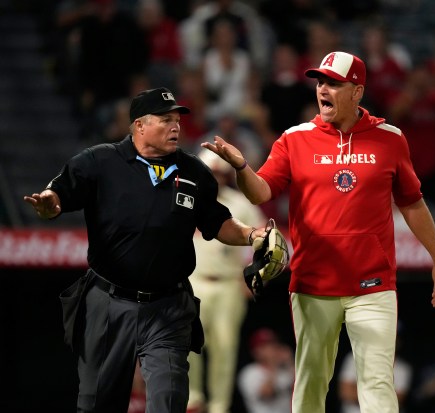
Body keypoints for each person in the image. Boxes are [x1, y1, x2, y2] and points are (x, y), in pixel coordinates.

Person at [202, 51, 435, 413]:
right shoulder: (294, 139)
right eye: (320, 82)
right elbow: (261, 191)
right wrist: (241, 167)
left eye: (333, 83)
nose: (323, 89)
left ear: (357, 91)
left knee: (378, 382)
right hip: (313, 284)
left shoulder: (390, 139)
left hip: (373, 285)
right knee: (312, 381)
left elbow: (412, 203)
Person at [23, 87, 268, 413]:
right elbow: (60, 194)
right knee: (99, 404)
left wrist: (252, 234)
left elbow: (218, 223)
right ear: (139, 125)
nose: (175, 127)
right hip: (109, 301)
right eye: (165, 119)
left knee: (169, 402)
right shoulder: (100, 161)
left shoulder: (194, 171)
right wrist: (49, 204)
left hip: (168, 306)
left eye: (177, 119)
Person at [187, 149, 266, 413]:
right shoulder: (186, 198)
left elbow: (264, 239)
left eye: (219, 173)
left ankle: (219, 406)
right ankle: (193, 400)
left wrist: (252, 273)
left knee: (225, 346)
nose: (215, 178)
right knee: (187, 341)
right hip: (193, 280)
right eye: (210, 172)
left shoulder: (240, 203)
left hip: (229, 283)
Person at [339, 322, 413, 413]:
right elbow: (346, 392)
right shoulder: (355, 357)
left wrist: (360, 392)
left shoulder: (403, 369)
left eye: (393, 336)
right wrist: (382, 395)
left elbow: (396, 400)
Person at [237, 328, 295, 413]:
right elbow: (267, 393)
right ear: (255, 352)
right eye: (265, 346)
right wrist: (274, 364)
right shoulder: (250, 372)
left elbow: (303, 387)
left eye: (274, 344)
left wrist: (290, 361)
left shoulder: (284, 370)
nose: (272, 349)